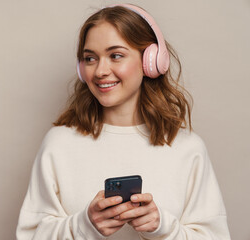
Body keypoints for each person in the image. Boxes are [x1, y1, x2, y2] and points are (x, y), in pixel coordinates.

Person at [16, 3, 231, 240]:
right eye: (90, 58)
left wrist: (163, 228)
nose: (100, 71)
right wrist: (85, 225)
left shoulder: (188, 149)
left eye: (116, 55)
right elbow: (31, 235)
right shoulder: (59, 143)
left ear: (151, 61)